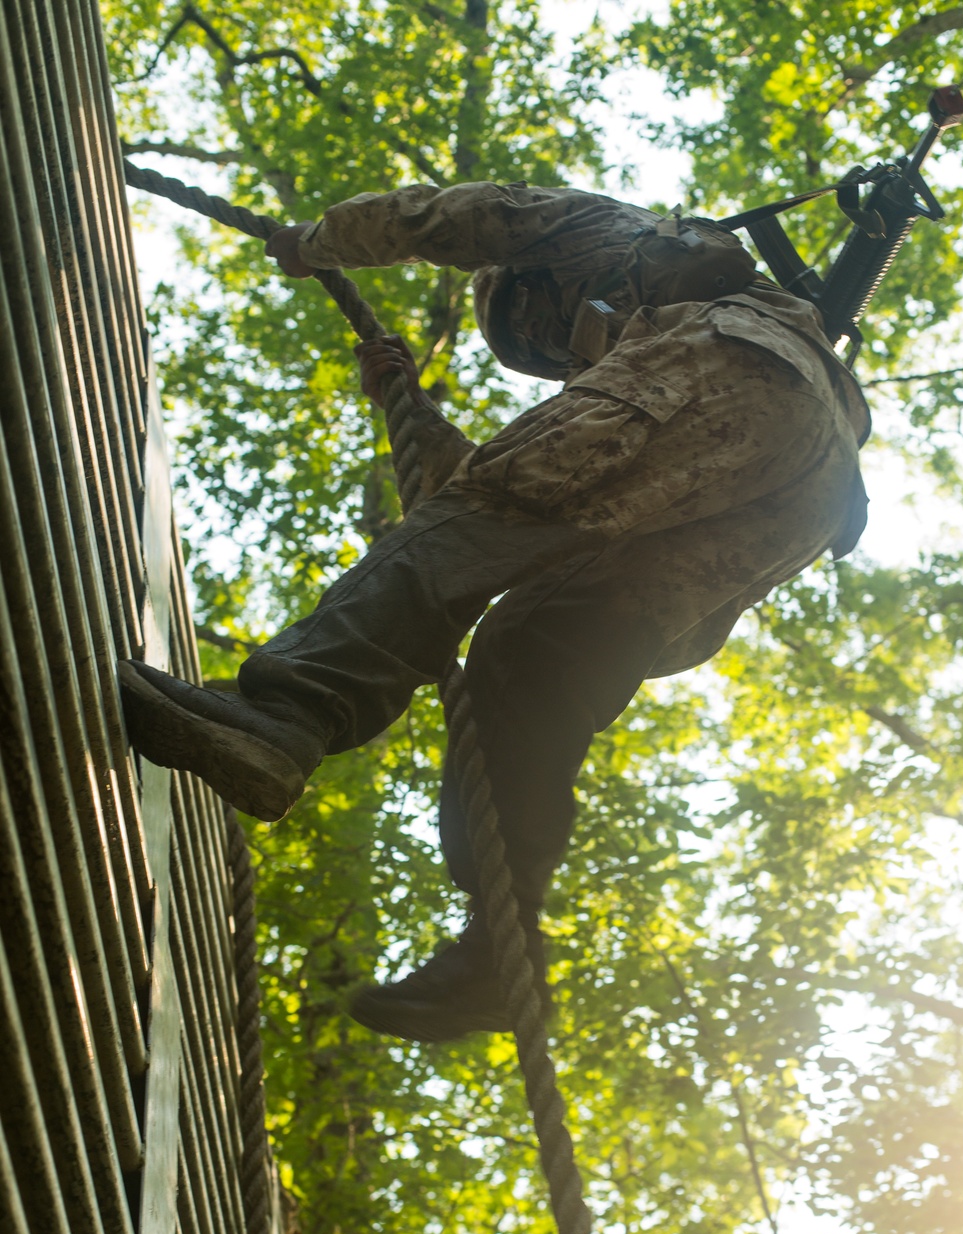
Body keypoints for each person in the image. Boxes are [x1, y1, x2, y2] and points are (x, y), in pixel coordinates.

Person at [119, 181, 871, 1043]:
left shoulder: (610, 237)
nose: (549, 355)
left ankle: (284, 715)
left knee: (492, 517)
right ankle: (496, 952)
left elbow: (453, 220)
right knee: (534, 651)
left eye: (532, 337)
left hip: (743, 365)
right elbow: (521, 511)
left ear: (527, 291)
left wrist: (318, 238)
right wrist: (406, 403)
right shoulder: (651, 342)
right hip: (811, 492)